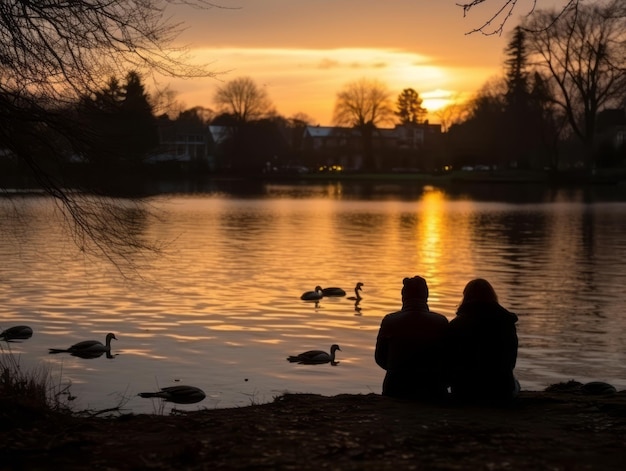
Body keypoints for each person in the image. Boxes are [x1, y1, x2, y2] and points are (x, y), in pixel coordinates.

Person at [445, 278, 519, 403]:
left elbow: (449, 361)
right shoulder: (506, 322)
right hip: (500, 391)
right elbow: (511, 360)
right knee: (515, 381)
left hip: (465, 391)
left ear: (466, 298)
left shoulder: (456, 325)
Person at [375, 276, 449, 400]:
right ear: (426, 296)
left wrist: (399, 368)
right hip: (432, 390)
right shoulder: (440, 321)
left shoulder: (389, 321)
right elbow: (448, 359)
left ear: (403, 297)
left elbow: (380, 358)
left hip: (395, 389)